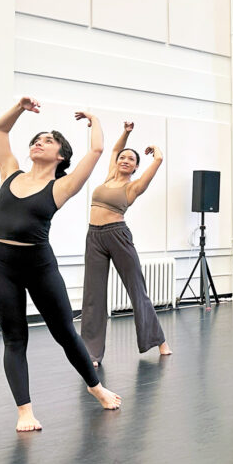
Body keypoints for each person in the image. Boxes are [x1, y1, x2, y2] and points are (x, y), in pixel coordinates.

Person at [0, 97, 121, 432]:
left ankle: (96, 388)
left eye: (48, 140)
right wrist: (19, 108)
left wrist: (94, 120)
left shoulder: (61, 186)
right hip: (2, 267)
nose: (38, 142)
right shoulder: (9, 172)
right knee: (14, 339)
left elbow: (95, 152)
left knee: (64, 333)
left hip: (40, 267)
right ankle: (25, 412)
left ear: (60, 156)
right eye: (36, 139)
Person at [80, 121, 171, 367]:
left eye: (131, 159)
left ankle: (158, 339)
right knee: (93, 295)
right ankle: (92, 352)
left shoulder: (133, 186)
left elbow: (157, 163)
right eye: (124, 157)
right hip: (94, 236)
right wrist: (127, 132)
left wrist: (157, 154)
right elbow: (113, 151)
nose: (125, 160)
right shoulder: (109, 176)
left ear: (136, 167)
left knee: (136, 289)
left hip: (117, 236)